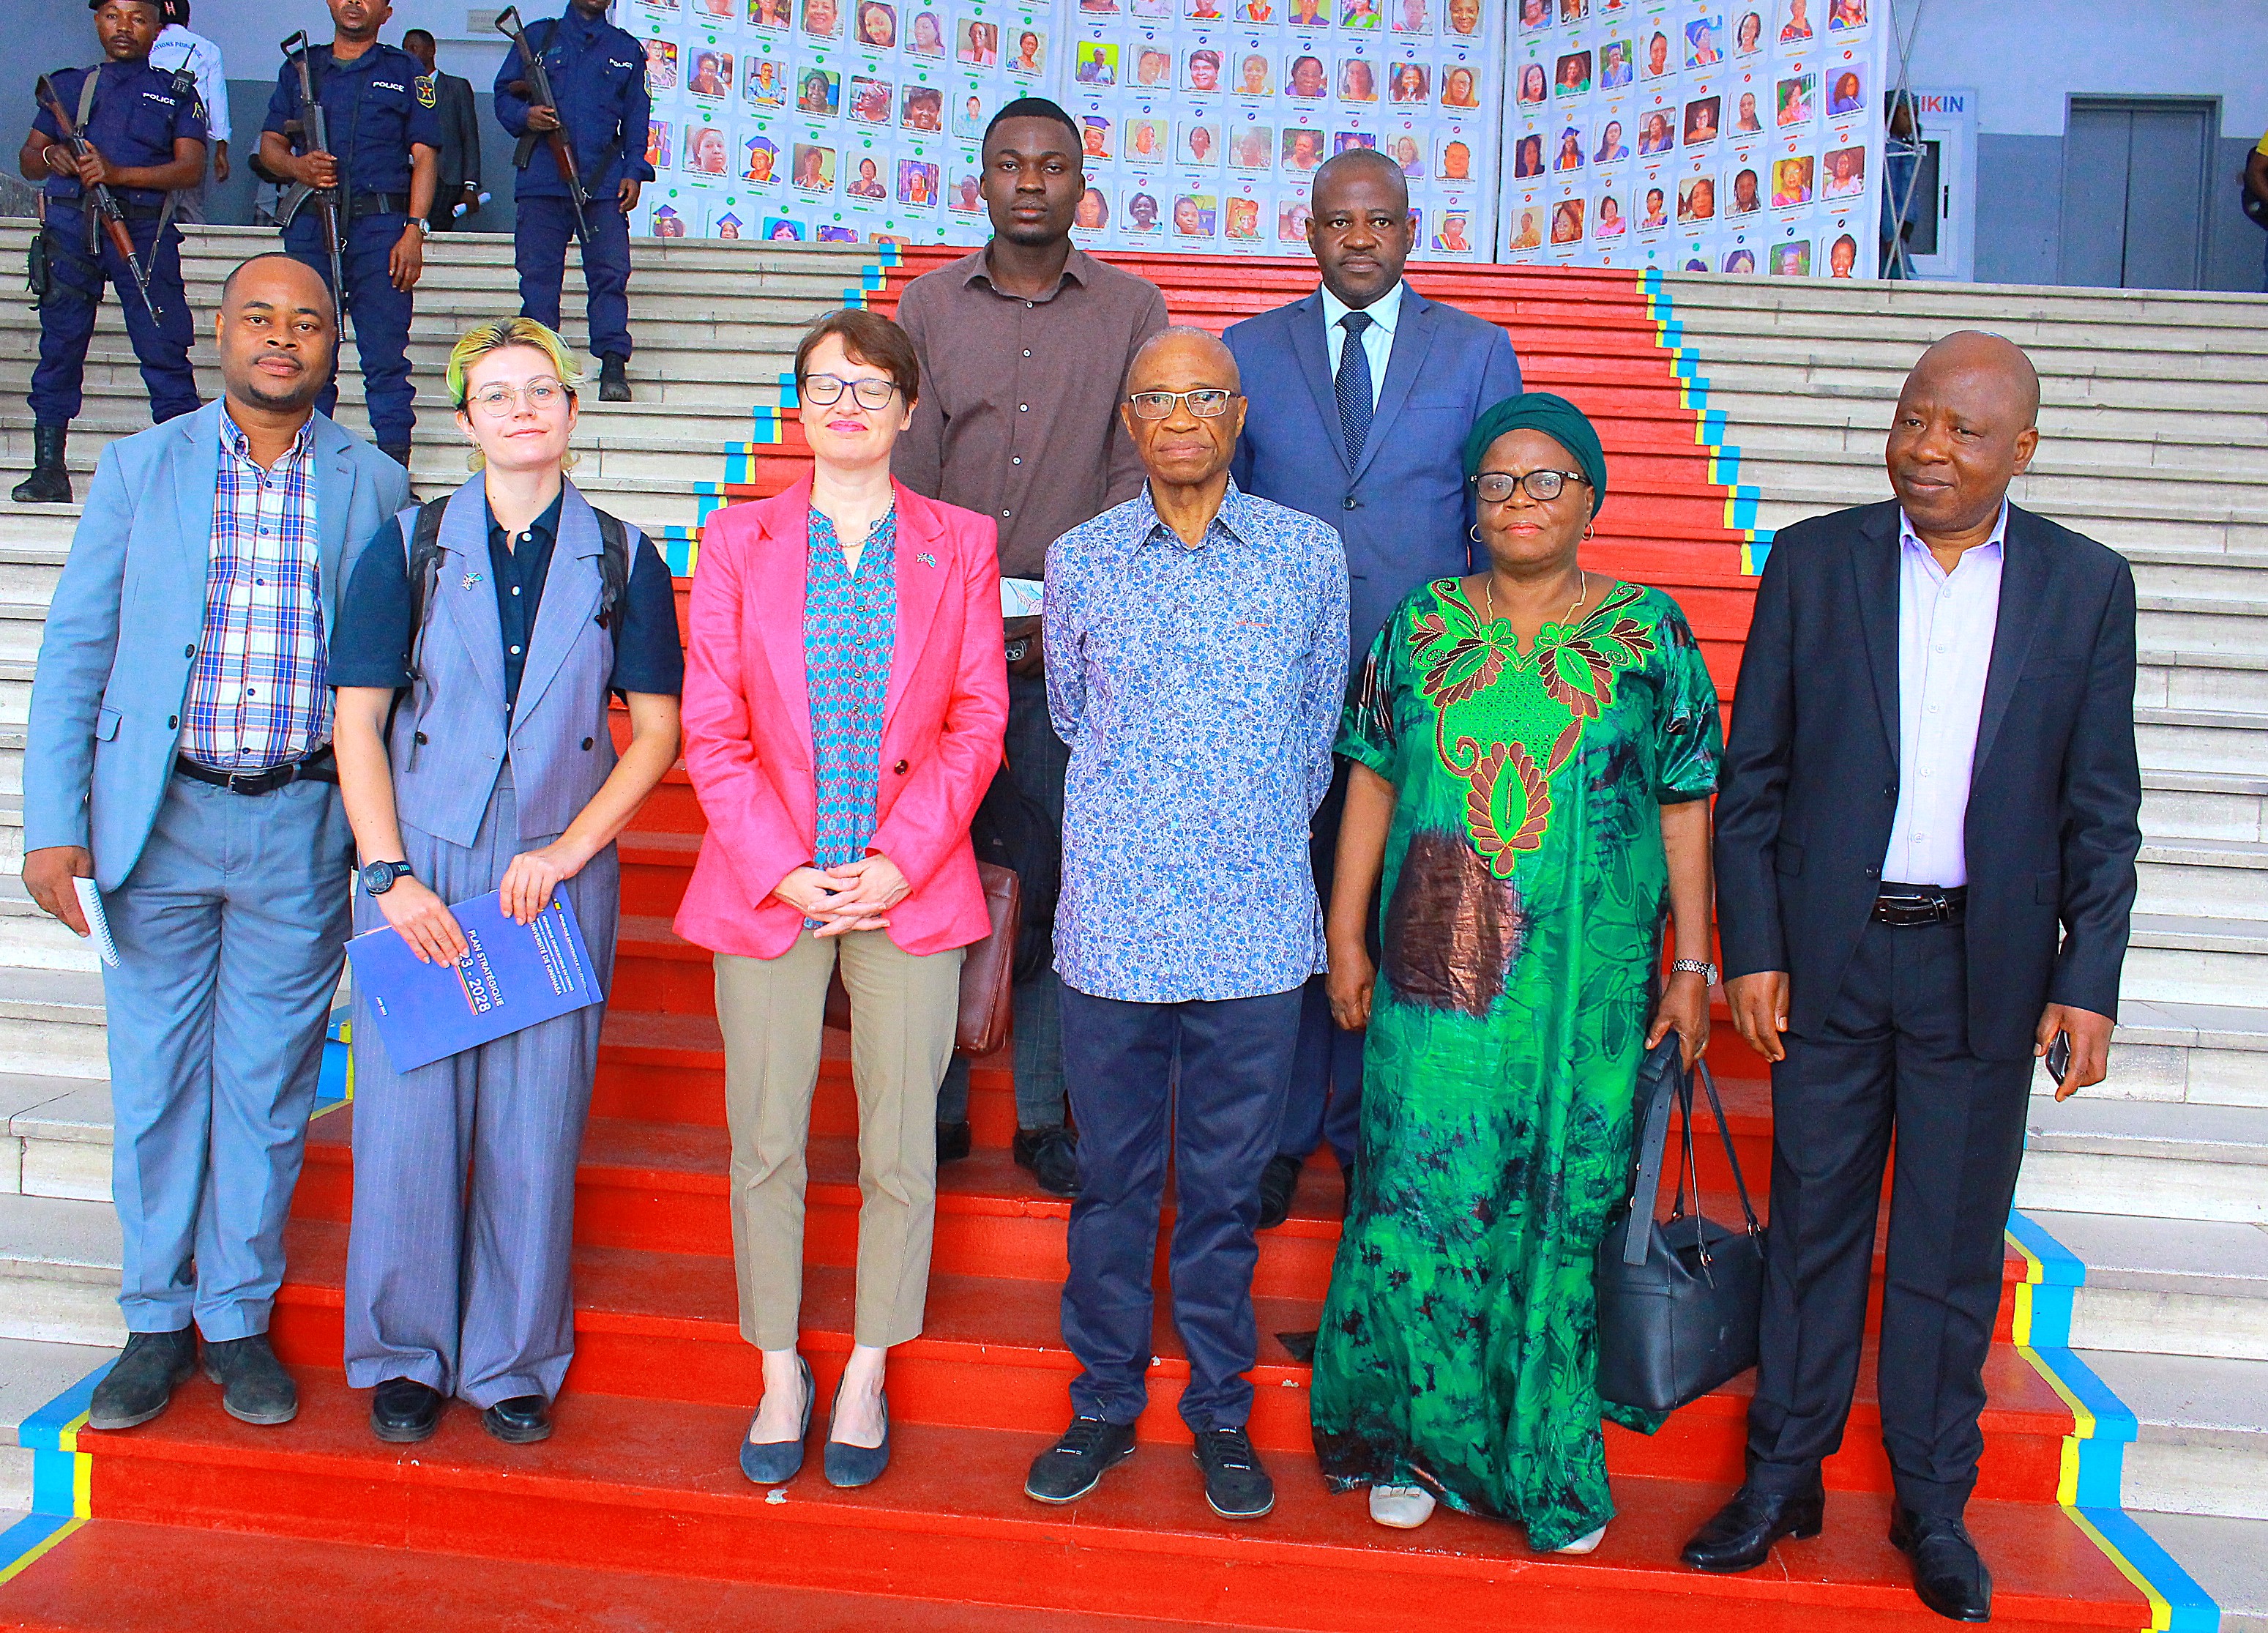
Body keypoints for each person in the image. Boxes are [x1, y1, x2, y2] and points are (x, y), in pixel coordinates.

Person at [1687, 333, 2141, 1624]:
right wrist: (1756, 946)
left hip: (1980, 971)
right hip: (1829, 960)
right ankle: (1782, 1476)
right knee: (1810, 1231)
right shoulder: (1815, 561)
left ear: (2021, 450)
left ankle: (1933, 1505)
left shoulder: (2083, 587)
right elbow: (1754, 778)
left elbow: (2100, 810)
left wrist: (2087, 980)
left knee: (1945, 1254)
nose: (1927, 451)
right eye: (1912, 421)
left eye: (1961, 433)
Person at [1313, 391, 1718, 1547]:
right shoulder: (1420, 625)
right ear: (1470, 504)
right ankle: (1408, 1443)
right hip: (1437, 978)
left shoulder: (1649, 632)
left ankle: (1542, 1463)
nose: (1518, 500)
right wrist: (1343, 932)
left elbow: (1687, 801)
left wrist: (1693, 960)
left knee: (1557, 1207)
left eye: (1544, 479)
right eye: (1495, 481)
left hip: (1583, 993)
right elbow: (1372, 781)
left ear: (1590, 496)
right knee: (1423, 1196)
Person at [22, 254, 408, 1432]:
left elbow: (387, 673)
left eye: (305, 322)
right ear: (221, 334)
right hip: (161, 818)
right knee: (154, 1082)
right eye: (258, 318)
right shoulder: (144, 468)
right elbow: (78, 649)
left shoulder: (377, 480)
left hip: (300, 824)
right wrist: (53, 826)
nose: (280, 339)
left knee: (266, 1085)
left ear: (330, 342)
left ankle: (235, 1317)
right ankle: (153, 1318)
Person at [329, 316, 684, 1446]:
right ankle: (403, 1351)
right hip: (422, 853)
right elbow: (358, 721)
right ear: (466, 417)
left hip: (553, 864)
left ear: (572, 411)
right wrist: (387, 874)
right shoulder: (408, 543)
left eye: (543, 389)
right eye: (498, 394)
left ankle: (514, 1360)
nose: (523, 408)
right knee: (406, 1119)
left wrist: (573, 849)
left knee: (536, 1121)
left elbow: (655, 734)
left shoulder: (626, 555)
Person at [674, 308, 1005, 1489]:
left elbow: (977, 722)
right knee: (764, 1138)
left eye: (872, 388)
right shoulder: (737, 540)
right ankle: (778, 1365)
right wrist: (782, 863)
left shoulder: (960, 541)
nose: (848, 405)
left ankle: (865, 1361)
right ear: (797, 405)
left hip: (905, 885)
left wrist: (899, 862)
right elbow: (710, 728)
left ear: (910, 408)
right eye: (824, 385)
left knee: (897, 1142)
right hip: (770, 883)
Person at [1023, 327, 1348, 1520]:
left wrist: (1241, 826)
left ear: (1236, 413)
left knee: (1219, 1194)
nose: (1176, 416)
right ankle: (1103, 1405)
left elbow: (1319, 726)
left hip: (1254, 931)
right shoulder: (1082, 560)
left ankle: (1219, 1413)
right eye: (1152, 397)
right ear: (1126, 419)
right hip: (1113, 930)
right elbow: (1068, 715)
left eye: (1200, 397)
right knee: (1112, 1184)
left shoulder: (1306, 559)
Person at [1223, 149, 1521, 1228]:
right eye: (1340, 223)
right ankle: (1278, 1133)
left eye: (1380, 222)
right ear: (1309, 232)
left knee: (1401, 914)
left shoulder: (1478, 352)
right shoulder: (1247, 350)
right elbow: (1229, 516)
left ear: (1409, 231)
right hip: (1279, 684)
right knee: (1289, 913)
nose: (1360, 239)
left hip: (1423, 689)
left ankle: (1366, 1131)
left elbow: (1495, 515)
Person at [893, 98, 1169, 1195]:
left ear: (1078, 183)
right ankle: (936, 1100)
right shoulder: (926, 304)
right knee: (928, 873)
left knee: (1061, 882)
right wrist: (939, 620)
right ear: (981, 180)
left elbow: (1131, 465)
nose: (1029, 183)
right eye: (1009, 164)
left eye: (1050, 166)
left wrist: (1071, 610)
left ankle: (1048, 1112)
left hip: (1074, 655)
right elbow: (906, 473)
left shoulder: (1130, 307)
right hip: (935, 650)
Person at [12, 0, 205, 506]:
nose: (125, 27)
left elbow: (190, 169)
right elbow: (30, 158)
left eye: (138, 17)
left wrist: (118, 175)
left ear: (158, 27)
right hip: (71, 230)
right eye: (114, 15)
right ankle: (49, 468)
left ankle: (187, 474)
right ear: (97, 21)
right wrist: (53, 154)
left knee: (164, 348)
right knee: (59, 349)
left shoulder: (175, 92)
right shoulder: (68, 86)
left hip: (142, 233)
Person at [259, 0, 437, 472]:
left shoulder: (405, 70)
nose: (354, 2)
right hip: (311, 225)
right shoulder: (301, 68)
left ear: (387, 11)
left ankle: (394, 470)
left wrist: (415, 231)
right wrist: (299, 166)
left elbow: (425, 157)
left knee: (384, 355)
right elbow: (270, 145)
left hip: (382, 229)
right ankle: (305, 468)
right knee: (307, 350)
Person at [492, 0, 653, 404]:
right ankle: (543, 367)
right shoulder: (537, 37)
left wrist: (633, 171)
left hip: (603, 185)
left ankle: (613, 362)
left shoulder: (625, 49)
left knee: (610, 274)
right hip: (543, 182)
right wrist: (527, 115)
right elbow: (502, 96)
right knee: (539, 280)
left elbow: (637, 118)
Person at [149, 0, 228, 223]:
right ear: (187, 18)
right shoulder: (208, 49)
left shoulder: (148, 45)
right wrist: (221, 150)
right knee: (191, 206)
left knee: (153, 204)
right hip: (193, 129)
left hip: (154, 128)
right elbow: (218, 102)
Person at [403, 29, 482, 231]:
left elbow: (469, 138)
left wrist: (470, 186)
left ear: (431, 50)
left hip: (446, 179)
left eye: (413, 48)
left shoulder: (456, 88)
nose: (408, 54)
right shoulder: (402, 88)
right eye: (405, 49)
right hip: (406, 178)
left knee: (436, 230)